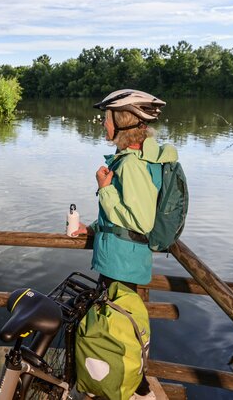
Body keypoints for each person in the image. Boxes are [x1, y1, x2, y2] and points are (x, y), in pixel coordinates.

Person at [72, 88, 178, 400]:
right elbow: (121, 214)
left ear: (123, 121)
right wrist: (91, 229)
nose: (103, 124)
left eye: (106, 118)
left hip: (122, 264)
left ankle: (134, 390)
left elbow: (140, 221)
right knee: (119, 330)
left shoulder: (132, 164)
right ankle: (130, 388)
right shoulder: (134, 159)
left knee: (119, 332)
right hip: (123, 259)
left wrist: (104, 188)